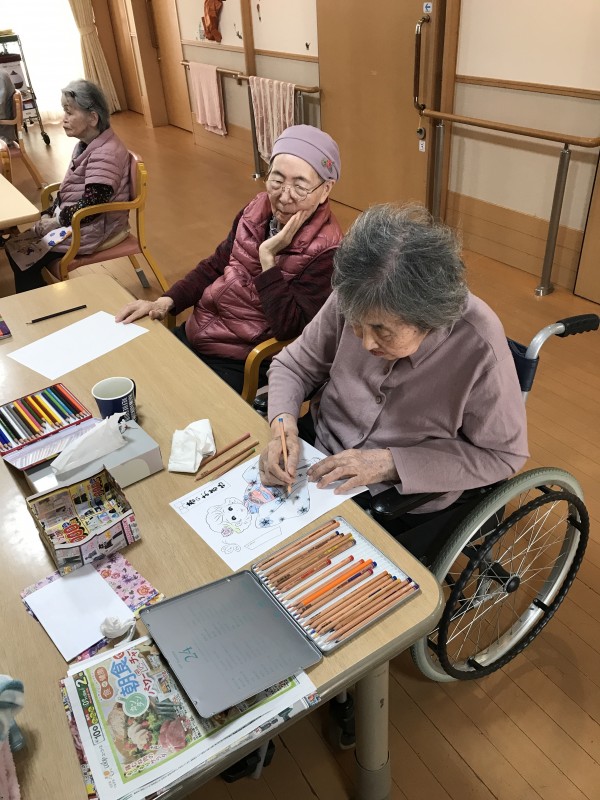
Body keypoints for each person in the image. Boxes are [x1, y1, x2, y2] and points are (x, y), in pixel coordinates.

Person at [259, 204, 529, 560]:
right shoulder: (355, 293)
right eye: (357, 325)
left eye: (382, 330)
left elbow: (504, 455)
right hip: (317, 454)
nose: (366, 343)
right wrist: (283, 426)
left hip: (398, 498)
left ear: (428, 319)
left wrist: (390, 463)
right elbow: (295, 365)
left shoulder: (480, 346)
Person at [115, 124, 343, 394]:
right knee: (135, 371)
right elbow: (216, 264)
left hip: (242, 358)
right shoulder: (255, 210)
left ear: (325, 190)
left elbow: (290, 329)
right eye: (277, 180)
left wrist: (268, 259)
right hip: (201, 329)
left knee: (171, 399)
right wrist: (165, 301)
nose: (284, 195)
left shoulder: (328, 252)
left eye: (300, 186)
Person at [5, 79, 130, 293]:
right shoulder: (88, 144)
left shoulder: (105, 154)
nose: (64, 119)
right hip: (78, 221)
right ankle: (40, 296)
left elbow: (92, 205)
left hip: (94, 228)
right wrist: (49, 212)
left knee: (22, 258)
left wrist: (56, 221)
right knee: (14, 246)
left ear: (93, 118)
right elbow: (70, 190)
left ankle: (40, 304)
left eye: (69, 112)